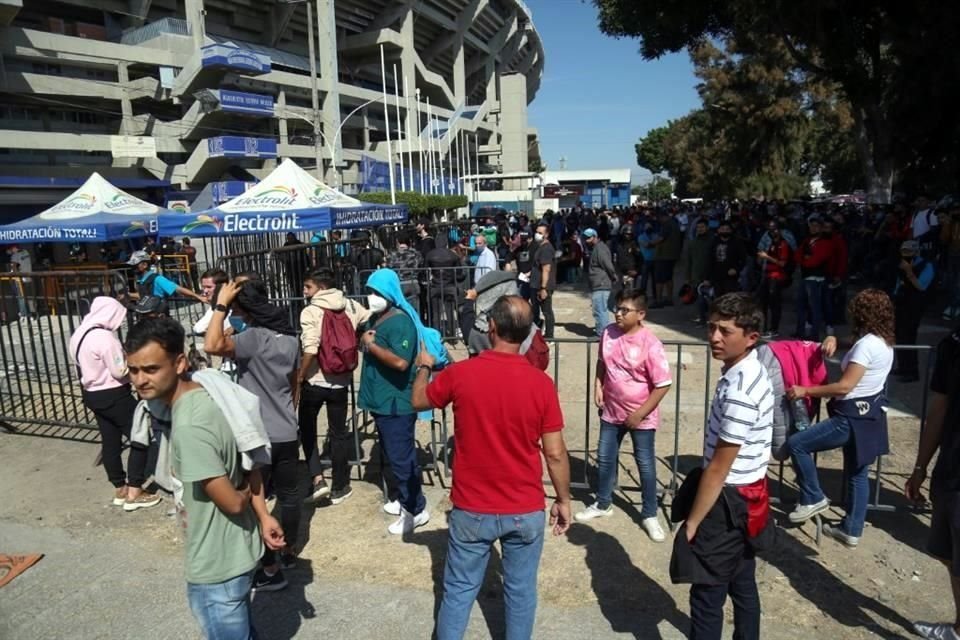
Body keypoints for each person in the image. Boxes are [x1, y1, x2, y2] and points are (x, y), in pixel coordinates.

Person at [411, 295, 572, 640]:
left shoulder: (461, 374)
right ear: (528, 334)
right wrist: (564, 499)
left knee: (458, 590)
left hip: (472, 506)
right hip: (524, 506)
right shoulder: (541, 384)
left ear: (492, 327)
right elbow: (555, 453)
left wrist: (424, 365)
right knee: (521, 591)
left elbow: (419, 400)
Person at [125, 316, 283, 640]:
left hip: (216, 565)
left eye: (151, 369)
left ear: (180, 363)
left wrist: (242, 493)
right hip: (236, 551)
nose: (140, 380)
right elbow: (249, 460)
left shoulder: (190, 428)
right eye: (134, 370)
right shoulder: (208, 388)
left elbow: (232, 503)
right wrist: (264, 513)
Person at [671, 292, 773, 640]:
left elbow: (719, 467)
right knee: (742, 581)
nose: (714, 337)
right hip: (748, 494)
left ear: (751, 337)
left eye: (725, 331)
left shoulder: (741, 390)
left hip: (727, 500)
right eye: (712, 327)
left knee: (707, 593)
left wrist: (693, 523)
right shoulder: (749, 369)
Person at [204, 278, 301, 590]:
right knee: (288, 496)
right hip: (287, 427)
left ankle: (269, 565)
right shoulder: (290, 339)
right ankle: (288, 549)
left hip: (258, 433)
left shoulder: (254, 339)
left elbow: (211, 345)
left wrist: (220, 307)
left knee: (253, 498)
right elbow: (295, 382)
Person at [785, 289, 895, 547]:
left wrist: (806, 390)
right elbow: (854, 344)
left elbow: (844, 386)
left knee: (797, 444)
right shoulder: (881, 341)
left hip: (850, 416)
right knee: (858, 472)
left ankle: (813, 496)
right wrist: (834, 338)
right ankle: (851, 529)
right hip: (870, 415)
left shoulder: (867, 346)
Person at [576, 289, 672, 542]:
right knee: (606, 458)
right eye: (617, 308)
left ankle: (650, 512)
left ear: (640, 314)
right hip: (611, 410)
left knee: (645, 464)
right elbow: (601, 362)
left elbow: (662, 384)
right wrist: (598, 385)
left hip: (641, 415)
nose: (618, 313)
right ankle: (603, 502)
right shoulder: (608, 333)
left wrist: (640, 414)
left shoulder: (650, 343)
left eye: (624, 310)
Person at [70, 297, 161, 511]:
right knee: (140, 438)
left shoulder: (79, 333)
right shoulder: (105, 338)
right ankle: (135, 489)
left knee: (110, 441)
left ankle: (119, 487)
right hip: (114, 394)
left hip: (92, 393)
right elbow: (119, 370)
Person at [359, 269, 430, 534]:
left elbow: (400, 362)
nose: (372, 297)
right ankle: (404, 500)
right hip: (381, 401)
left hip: (395, 403)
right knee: (394, 455)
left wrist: (372, 346)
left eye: (376, 292)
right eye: (370, 291)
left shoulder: (400, 322)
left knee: (401, 459)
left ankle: (416, 509)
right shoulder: (378, 317)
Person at [297, 269, 371, 505]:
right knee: (339, 432)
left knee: (307, 429)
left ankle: (318, 479)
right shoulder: (350, 306)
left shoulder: (311, 311)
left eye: (308, 287)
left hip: (315, 380)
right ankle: (341, 484)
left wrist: (299, 376)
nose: (305, 291)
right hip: (341, 380)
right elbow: (368, 319)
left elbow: (310, 348)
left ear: (319, 287)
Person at [906, 325, 960, 640]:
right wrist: (920, 466)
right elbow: (938, 410)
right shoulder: (952, 344)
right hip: (953, 470)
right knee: (946, 552)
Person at [893, 239, 935, 383]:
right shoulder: (901, 264)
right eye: (904, 251)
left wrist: (909, 272)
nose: (906, 254)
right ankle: (902, 366)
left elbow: (921, 286)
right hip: (901, 303)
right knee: (899, 335)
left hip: (915, 306)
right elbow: (898, 284)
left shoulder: (926, 265)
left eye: (909, 251)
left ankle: (912, 371)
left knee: (909, 337)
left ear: (916, 252)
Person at [794, 216, 831, 340]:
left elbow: (815, 261)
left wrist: (805, 260)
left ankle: (814, 334)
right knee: (801, 306)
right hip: (806, 277)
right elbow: (797, 256)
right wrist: (805, 259)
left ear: (820, 228)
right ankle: (800, 331)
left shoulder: (825, 242)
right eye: (811, 226)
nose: (813, 228)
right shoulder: (807, 240)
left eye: (816, 226)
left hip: (816, 279)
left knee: (815, 308)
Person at [756, 220, 792, 338]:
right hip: (767, 274)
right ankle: (763, 327)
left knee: (774, 304)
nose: (772, 231)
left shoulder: (783, 244)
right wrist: (761, 259)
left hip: (777, 276)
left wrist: (767, 257)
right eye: (769, 229)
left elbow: (782, 263)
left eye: (774, 229)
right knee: (763, 303)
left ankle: (773, 329)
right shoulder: (771, 242)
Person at [127, 250, 204, 303]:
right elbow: (143, 296)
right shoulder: (141, 281)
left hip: (159, 319)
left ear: (145, 265)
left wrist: (197, 296)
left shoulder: (157, 279)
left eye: (135, 266)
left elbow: (178, 289)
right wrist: (128, 295)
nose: (133, 268)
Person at [425, 232, 464, 336]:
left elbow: (424, 270)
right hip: (449, 285)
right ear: (446, 243)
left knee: (436, 313)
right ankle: (452, 334)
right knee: (450, 311)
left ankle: (437, 335)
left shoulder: (430, 254)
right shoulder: (453, 255)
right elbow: (460, 274)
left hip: (435, 285)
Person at [584, 228, 618, 336]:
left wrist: (613, 276)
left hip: (601, 284)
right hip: (598, 284)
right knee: (601, 309)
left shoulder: (600, 249)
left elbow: (608, 265)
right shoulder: (596, 248)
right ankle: (604, 331)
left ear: (595, 237)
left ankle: (601, 334)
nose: (586, 240)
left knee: (600, 310)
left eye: (589, 238)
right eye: (585, 238)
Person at [530, 222, 557, 339]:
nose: (537, 234)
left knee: (547, 311)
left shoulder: (546, 249)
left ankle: (549, 336)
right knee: (537, 311)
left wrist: (543, 288)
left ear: (546, 234)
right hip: (536, 284)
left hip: (543, 286)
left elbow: (546, 269)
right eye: (536, 232)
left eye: (540, 233)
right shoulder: (540, 247)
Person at [652, 210, 683, 307]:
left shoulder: (667, 225)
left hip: (663, 255)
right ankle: (669, 299)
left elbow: (661, 238)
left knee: (659, 279)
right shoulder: (675, 224)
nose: (659, 220)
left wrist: (650, 244)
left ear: (663, 217)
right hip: (672, 255)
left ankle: (659, 300)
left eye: (659, 218)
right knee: (669, 277)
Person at [686, 218, 713, 324]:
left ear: (707, 228)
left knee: (709, 298)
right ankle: (702, 317)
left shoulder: (712, 241)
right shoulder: (693, 242)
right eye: (698, 227)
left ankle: (709, 317)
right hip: (696, 274)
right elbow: (689, 260)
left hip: (709, 274)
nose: (700, 229)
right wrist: (688, 276)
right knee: (699, 298)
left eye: (702, 227)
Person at [6, 244, 34, 318]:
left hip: (20, 279)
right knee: (30, 297)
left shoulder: (15, 256)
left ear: (14, 248)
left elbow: (14, 267)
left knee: (21, 297)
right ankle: (33, 312)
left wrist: (12, 274)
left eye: (10, 249)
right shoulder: (26, 252)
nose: (9, 251)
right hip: (29, 277)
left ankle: (24, 314)